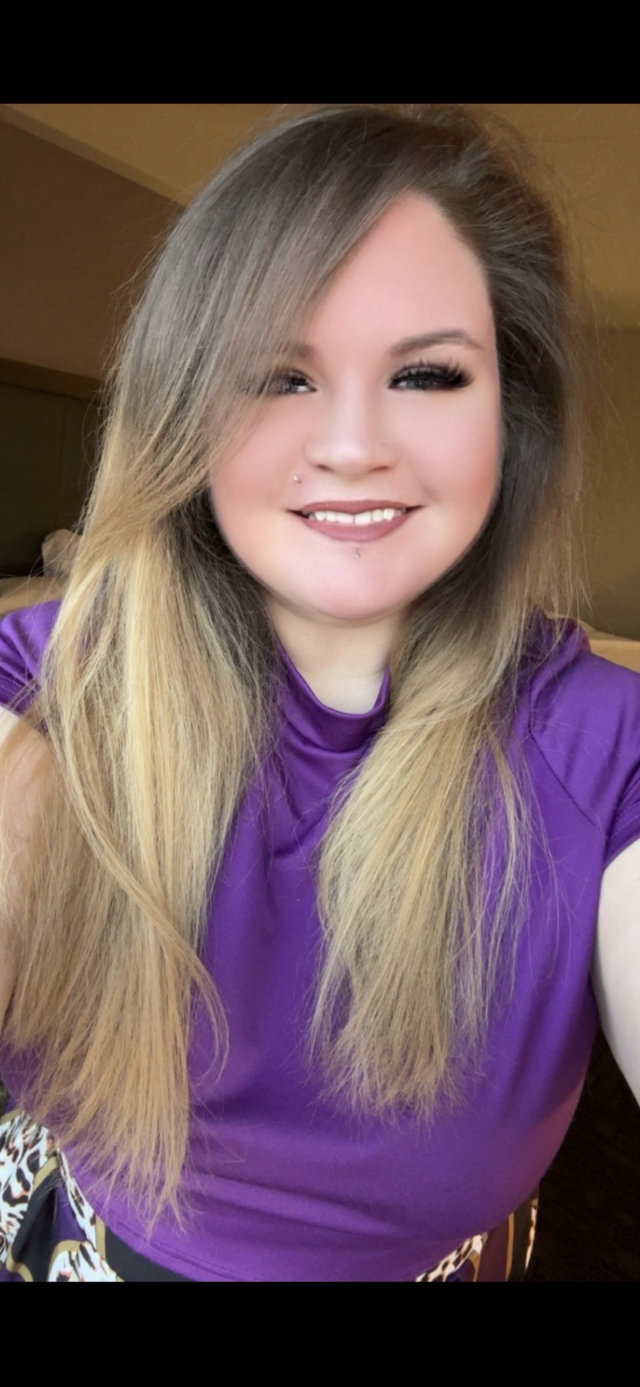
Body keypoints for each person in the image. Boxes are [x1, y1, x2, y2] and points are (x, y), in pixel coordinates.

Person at [0, 103, 638, 1283]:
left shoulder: (606, 744)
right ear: (188, 409)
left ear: (513, 413)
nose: (351, 444)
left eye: (427, 373)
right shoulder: (45, 683)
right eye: (280, 376)